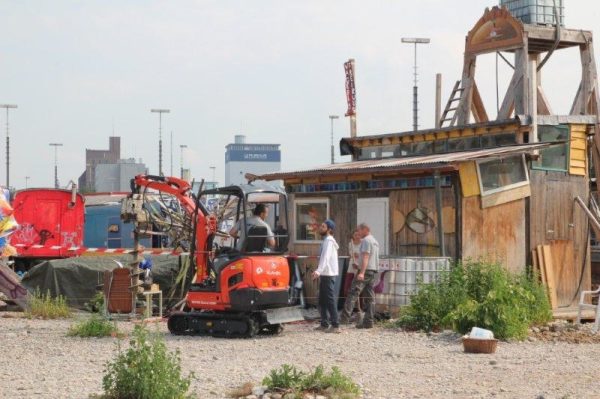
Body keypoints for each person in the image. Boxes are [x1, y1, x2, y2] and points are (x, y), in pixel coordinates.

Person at [340, 222, 380, 329]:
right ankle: (368, 322)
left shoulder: (366, 240)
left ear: (365, 229)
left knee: (352, 293)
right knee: (370, 298)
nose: (358, 232)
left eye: (359, 230)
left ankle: (343, 320)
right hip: (373, 271)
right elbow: (373, 258)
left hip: (365, 271)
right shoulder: (375, 241)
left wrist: (361, 272)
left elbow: (366, 257)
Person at [311, 219, 340, 333]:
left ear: (329, 229)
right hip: (325, 273)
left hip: (328, 274)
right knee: (322, 300)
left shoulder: (328, 241)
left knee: (329, 299)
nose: (320, 228)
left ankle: (335, 325)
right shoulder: (326, 241)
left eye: (323, 227)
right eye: (321, 226)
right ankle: (324, 323)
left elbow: (325, 257)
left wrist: (318, 271)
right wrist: (319, 271)